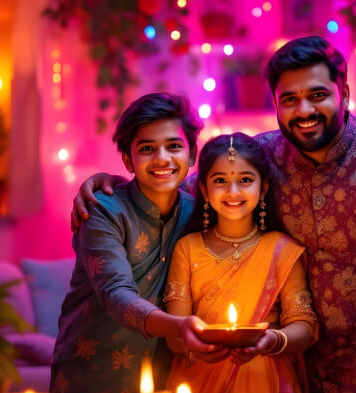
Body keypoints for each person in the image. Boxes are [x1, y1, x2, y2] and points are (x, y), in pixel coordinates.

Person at [72, 36, 356, 393]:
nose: (304, 110)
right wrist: (113, 181)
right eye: (289, 99)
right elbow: (179, 177)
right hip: (304, 363)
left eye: (318, 95)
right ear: (275, 103)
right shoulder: (261, 155)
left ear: (345, 93)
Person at [51, 93, 219, 393]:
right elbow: (117, 295)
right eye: (147, 149)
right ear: (128, 159)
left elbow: (245, 162)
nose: (162, 158)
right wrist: (179, 326)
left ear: (192, 155)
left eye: (174, 146)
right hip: (92, 373)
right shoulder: (102, 210)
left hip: (164, 376)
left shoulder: (200, 210)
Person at [163, 133, 318, 392]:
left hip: (265, 376)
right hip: (199, 376)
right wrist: (200, 344)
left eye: (245, 180)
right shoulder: (187, 249)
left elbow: (305, 327)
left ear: (264, 187)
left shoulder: (282, 249)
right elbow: (174, 337)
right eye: (220, 180)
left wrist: (272, 340)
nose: (233, 191)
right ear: (204, 188)